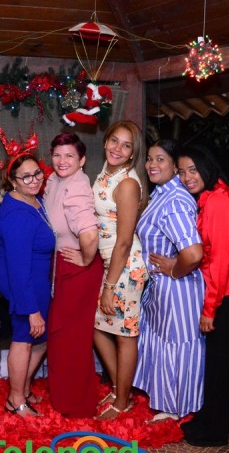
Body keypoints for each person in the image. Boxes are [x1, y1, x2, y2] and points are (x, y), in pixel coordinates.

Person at [168, 143, 229, 446]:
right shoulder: (211, 195)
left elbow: (219, 262)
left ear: (207, 167)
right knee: (222, 360)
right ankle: (225, 418)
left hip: (228, 291)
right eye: (181, 172)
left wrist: (209, 309)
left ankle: (214, 430)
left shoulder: (218, 201)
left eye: (193, 169)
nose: (187, 177)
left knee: (218, 362)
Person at [133, 138, 204, 423]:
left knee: (178, 346)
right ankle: (168, 401)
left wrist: (174, 270)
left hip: (178, 289)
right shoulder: (162, 193)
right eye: (150, 158)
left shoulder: (175, 201)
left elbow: (193, 253)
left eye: (160, 159)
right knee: (165, 343)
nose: (152, 164)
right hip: (163, 287)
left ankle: (178, 407)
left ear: (175, 166)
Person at [43, 132, 103, 418]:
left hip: (76, 270)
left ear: (82, 160)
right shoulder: (55, 180)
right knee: (60, 336)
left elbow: (89, 235)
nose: (62, 160)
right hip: (62, 265)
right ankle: (64, 397)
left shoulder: (76, 186)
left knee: (71, 339)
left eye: (69, 155)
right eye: (57, 154)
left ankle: (77, 404)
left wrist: (85, 259)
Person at [92, 120, 149, 420]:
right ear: (105, 141)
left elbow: (125, 241)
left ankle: (122, 402)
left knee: (125, 335)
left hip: (126, 266)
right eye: (114, 140)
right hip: (111, 263)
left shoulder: (127, 184)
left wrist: (110, 286)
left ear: (132, 153)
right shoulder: (106, 173)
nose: (118, 148)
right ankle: (118, 388)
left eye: (126, 145)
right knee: (98, 327)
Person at [0, 153, 54, 418]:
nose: (34, 180)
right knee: (24, 339)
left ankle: (24, 388)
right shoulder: (17, 214)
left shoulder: (34, 199)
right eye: (26, 177)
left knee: (40, 339)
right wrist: (31, 309)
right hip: (24, 283)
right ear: (13, 181)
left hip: (38, 280)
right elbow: (19, 268)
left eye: (37, 173)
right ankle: (16, 399)